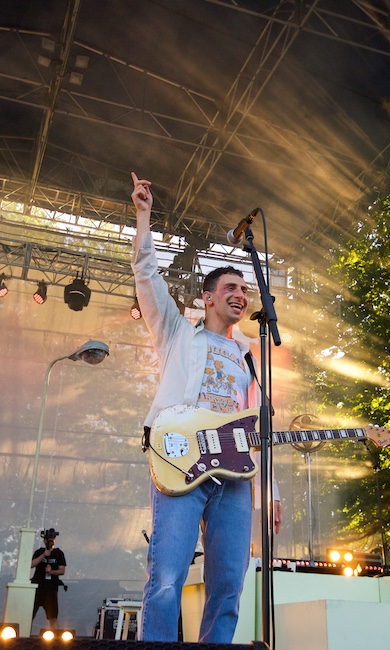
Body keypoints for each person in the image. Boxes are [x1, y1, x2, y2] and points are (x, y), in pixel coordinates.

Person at [131, 172, 265, 643]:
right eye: (230, 287)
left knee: (229, 585)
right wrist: (144, 216)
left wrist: (270, 495)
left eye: (244, 290)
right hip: (182, 459)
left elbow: (258, 432)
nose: (240, 294)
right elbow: (147, 276)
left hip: (235, 479)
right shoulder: (179, 334)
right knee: (166, 576)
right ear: (208, 297)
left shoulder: (252, 355)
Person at [31, 528, 67, 630]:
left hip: (51, 589)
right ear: (44, 540)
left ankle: (55, 640)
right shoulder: (39, 552)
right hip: (37, 588)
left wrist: (51, 571)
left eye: (52, 539)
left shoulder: (59, 553)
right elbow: (31, 564)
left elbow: (62, 570)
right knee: (29, 616)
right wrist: (43, 555)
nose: (50, 541)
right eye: (48, 539)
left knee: (53, 617)